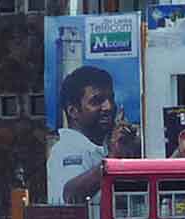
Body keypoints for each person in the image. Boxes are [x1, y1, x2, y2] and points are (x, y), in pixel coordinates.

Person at [47, 65, 140, 205]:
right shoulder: (65, 150)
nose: (108, 107)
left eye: (111, 99)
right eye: (97, 101)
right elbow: (72, 196)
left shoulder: (105, 147)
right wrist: (112, 160)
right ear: (73, 111)